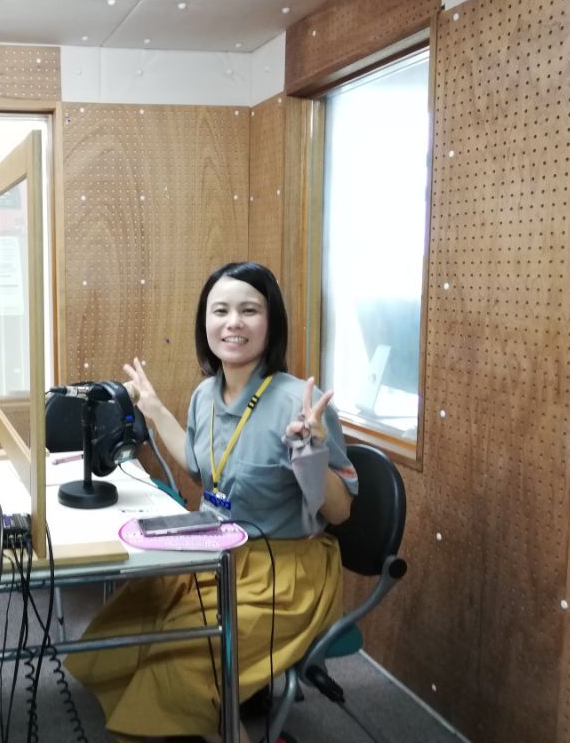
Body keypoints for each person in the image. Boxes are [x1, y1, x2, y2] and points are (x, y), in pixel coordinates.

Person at [65, 261, 358, 743]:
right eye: (220, 310)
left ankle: (224, 727)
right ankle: (204, 710)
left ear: (272, 322)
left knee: (183, 657)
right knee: (123, 628)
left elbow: (340, 512)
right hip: (218, 550)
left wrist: (312, 453)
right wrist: (153, 409)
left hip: (284, 571)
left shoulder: (299, 403)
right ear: (205, 322)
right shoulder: (205, 395)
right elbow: (201, 468)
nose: (233, 323)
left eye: (249, 310)